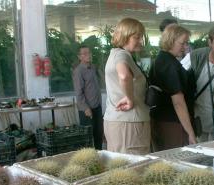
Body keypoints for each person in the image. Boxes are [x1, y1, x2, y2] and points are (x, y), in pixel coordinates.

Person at [104, 18, 150, 154]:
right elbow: (124, 76)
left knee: (120, 167)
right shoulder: (122, 55)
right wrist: (129, 99)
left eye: (141, 37)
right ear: (125, 36)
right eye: (137, 37)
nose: (141, 41)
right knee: (134, 168)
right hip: (129, 122)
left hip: (117, 121)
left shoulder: (115, 54)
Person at [149, 24, 196, 151]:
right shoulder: (170, 65)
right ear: (171, 41)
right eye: (182, 43)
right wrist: (190, 132)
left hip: (161, 120)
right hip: (172, 123)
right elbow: (178, 103)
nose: (185, 47)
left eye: (187, 43)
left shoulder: (161, 59)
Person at [72, 45, 103, 150]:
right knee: (88, 138)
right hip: (87, 110)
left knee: (99, 134)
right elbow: (79, 92)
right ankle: (89, 159)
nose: (88, 55)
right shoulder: (78, 71)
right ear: (79, 56)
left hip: (97, 106)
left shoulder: (93, 68)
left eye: (89, 52)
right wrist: (85, 108)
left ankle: (100, 155)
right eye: (84, 53)